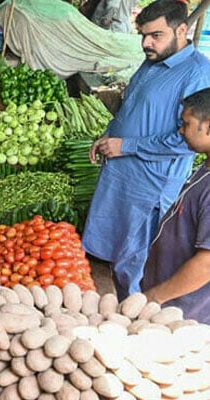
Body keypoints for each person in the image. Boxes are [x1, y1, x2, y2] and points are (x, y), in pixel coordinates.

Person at [84, 0, 210, 301]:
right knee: (116, 252)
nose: (146, 43)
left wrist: (126, 145)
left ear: (182, 30)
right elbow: (132, 107)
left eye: (155, 35)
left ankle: (136, 320)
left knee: (136, 260)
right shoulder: (152, 60)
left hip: (148, 186)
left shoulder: (197, 74)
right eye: (142, 35)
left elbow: (184, 140)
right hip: (120, 176)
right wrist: (109, 134)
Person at [141, 88, 210, 324]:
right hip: (171, 303)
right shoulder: (205, 167)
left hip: (186, 313)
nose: (181, 130)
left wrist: (154, 297)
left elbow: (206, 263)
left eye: (187, 123)